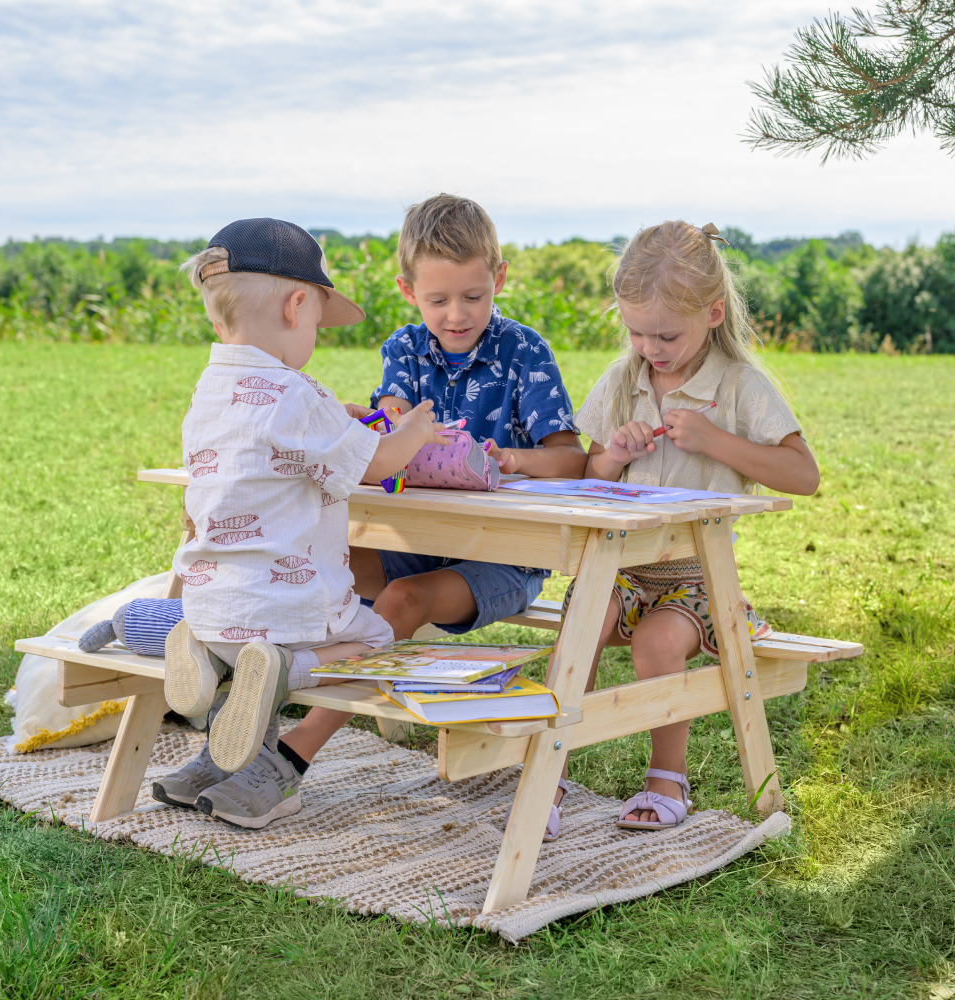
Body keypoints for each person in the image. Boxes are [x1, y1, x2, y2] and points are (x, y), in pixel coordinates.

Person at [150, 218, 446, 829]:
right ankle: (283, 671)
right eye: (315, 323)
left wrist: (336, 419)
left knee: (246, 652)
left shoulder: (208, 389)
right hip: (287, 614)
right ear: (296, 304)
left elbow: (270, 443)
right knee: (376, 640)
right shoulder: (299, 395)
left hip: (212, 606)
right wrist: (415, 428)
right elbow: (380, 463)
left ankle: (210, 662)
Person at [537, 220, 820, 841]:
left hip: (697, 580)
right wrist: (614, 452)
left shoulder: (739, 386)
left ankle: (666, 776)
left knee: (655, 647)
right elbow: (589, 472)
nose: (650, 347)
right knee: (580, 625)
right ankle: (545, 778)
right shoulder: (622, 380)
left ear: (714, 313)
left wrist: (718, 441)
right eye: (636, 332)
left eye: (666, 333)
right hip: (621, 569)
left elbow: (804, 475)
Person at [347, 193, 588, 637]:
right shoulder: (404, 351)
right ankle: (268, 675)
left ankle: (309, 698)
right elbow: (388, 450)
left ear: (499, 278)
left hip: (504, 552)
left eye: (473, 296)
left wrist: (515, 460)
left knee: (403, 597)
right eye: (438, 301)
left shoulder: (524, 352)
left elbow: (573, 460)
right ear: (407, 290)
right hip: (413, 541)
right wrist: (365, 426)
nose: (456, 316)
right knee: (313, 561)